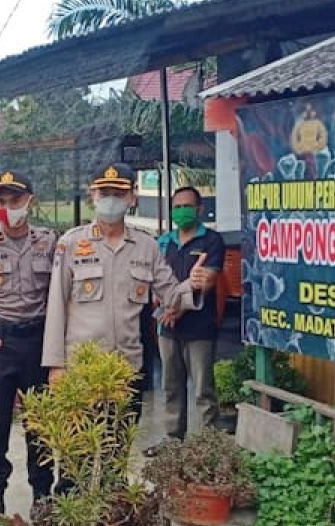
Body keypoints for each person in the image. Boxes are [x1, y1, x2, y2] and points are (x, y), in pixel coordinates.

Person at [42, 163, 210, 415]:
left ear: (132, 197)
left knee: (120, 446)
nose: (111, 200)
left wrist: (193, 284)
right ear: (93, 196)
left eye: (118, 194)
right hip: (82, 369)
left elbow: (171, 296)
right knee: (83, 450)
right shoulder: (71, 243)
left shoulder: (146, 246)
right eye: (104, 193)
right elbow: (56, 306)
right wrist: (55, 365)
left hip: (126, 369)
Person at [0, 170, 57, 516]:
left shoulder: (49, 242)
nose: (8, 207)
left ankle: (43, 497)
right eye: (2, 201)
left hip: (37, 342)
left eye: (15, 200)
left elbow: (58, 294)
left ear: (29, 201)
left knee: (40, 425)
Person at [157, 186, 225, 440]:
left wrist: (177, 308)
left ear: (199, 209)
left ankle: (211, 445)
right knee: (171, 388)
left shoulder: (211, 240)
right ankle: (173, 442)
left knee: (203, 391)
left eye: (187, 206)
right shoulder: (163, 242)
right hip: (167, 327)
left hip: (199, 329)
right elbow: (154, 281)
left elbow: (205, 283)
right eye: (177, 207)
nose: (182, 211)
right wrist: (168, 309)